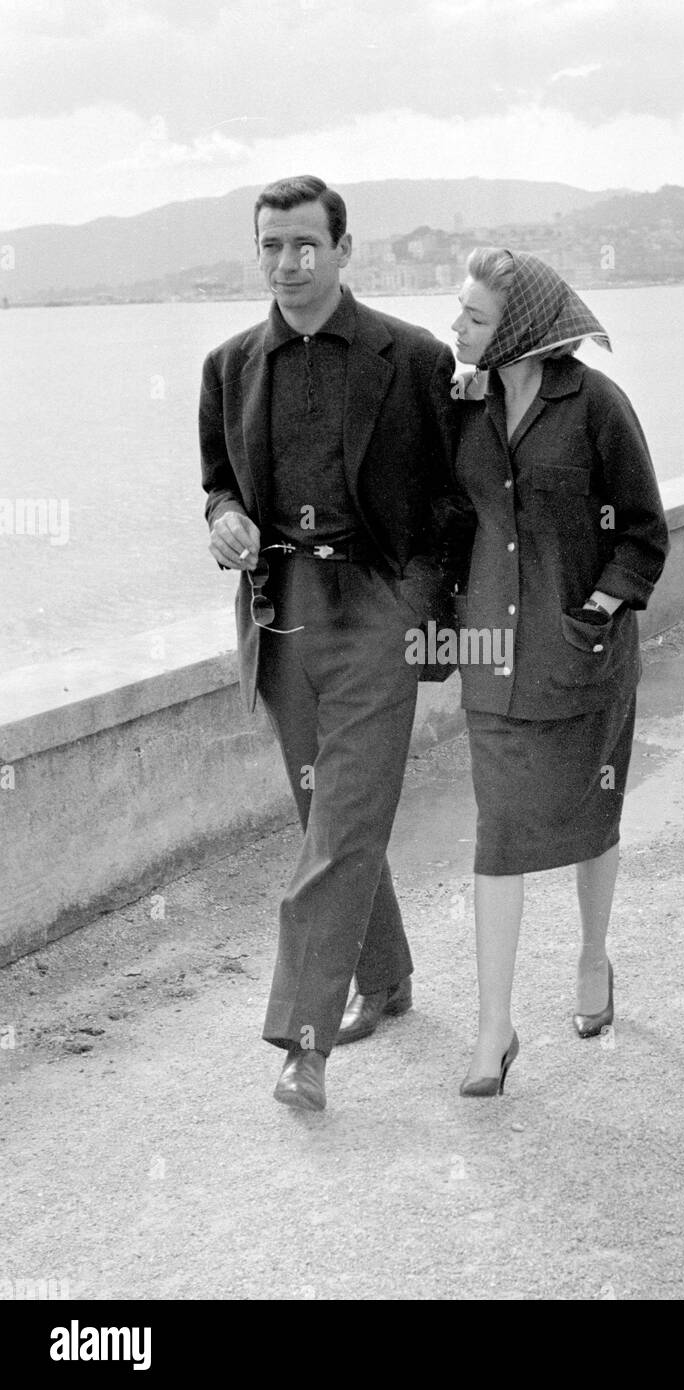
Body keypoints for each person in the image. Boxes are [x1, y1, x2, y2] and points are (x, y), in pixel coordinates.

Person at [199, 175, 462, 1112]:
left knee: (343, 821)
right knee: (330, 817)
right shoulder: (228, 365)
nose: (287, 263)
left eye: (305, 244)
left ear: (345, 249)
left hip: (377, 609)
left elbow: (451, 505)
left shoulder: (416, 358)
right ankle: (386, 979)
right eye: (271, 245)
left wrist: (422, 617)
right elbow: (219, 484)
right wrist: (225, 521)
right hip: (282, 616)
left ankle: (302, 1045)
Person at [449, 248, 669, 1097]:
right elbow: (444, 518)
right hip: (491, 664)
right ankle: (493, 1027)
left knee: (590, 816)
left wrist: (603, 609)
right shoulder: (459, 407)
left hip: (581, 659)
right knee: (497, 834)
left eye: (473, 317)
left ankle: (591, 958)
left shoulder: (598, 406)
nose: (455, 328)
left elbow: (644, 529)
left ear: (523, 329)